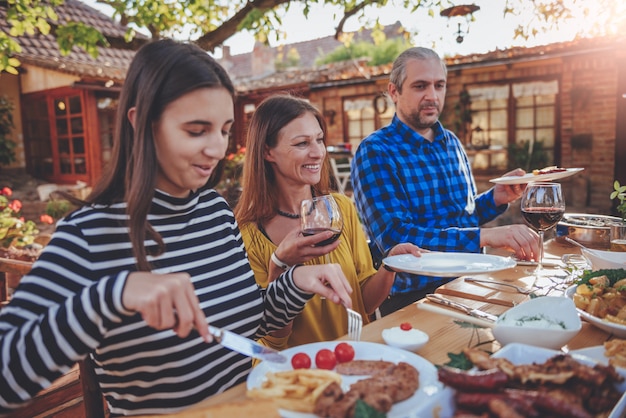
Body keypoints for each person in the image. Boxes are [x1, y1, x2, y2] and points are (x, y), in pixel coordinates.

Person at [0, 39, 354, 416]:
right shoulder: (89, 234)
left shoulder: (215, 211)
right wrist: (112, 295)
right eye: (196, 130)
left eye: (223, 130)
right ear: (141, 124)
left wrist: (294, 283)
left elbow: (245, 326)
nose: (217, 149)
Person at [351, 47, 540, 316]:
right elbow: (396, 238)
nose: (432, 95)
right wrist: (485, 237)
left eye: (439, 85)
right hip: (414, 298)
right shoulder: (375, 151)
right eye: (420, 86)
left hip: (472, 282)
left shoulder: (451, 142)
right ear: (394, 92)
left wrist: (496, 198)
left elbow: (462, 217)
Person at [234, 94, 423, 350]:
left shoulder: (341, 208)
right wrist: (279, 266)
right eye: (302, 143)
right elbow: (274, 338)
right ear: (268, 151)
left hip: (354, 355)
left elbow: (364, 303)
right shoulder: (249, 234)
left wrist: (389, 265)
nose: (318, 153)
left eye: (319, 140)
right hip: (299, 373)